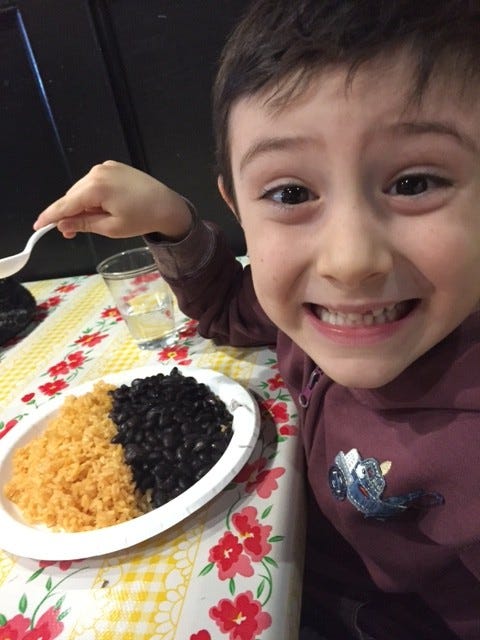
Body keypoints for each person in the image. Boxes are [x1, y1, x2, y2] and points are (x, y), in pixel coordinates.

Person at [34, 1, 480, 638]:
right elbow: (228, 306)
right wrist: (173, 221)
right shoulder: (315, 314)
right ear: (238, 204)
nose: (350, 261)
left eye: (414, 183)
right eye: (291, 194)